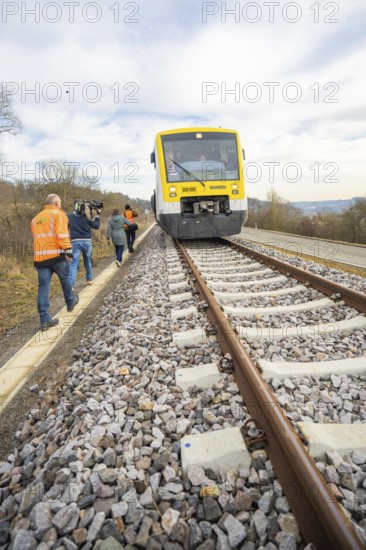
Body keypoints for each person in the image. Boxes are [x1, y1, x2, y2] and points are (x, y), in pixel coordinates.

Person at [31, 194, 79, 331]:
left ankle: (45, 320)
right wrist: (69, 252)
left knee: (43, 287)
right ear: (57, 203)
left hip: (40, 259)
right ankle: (70, 302)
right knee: (65, 278)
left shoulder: (35, 219)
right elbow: (62, 235)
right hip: (57, 255)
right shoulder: (58, 214)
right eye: (61, 202)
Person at [68, 200, 100, 289]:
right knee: (87, 261)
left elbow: (66, 227)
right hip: (87, 241)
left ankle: (71, 285)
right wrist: (97, 215)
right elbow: (96, 226)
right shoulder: (87, 216)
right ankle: (89, 279)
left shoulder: (69, 216)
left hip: (75, 241)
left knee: (74, 263)